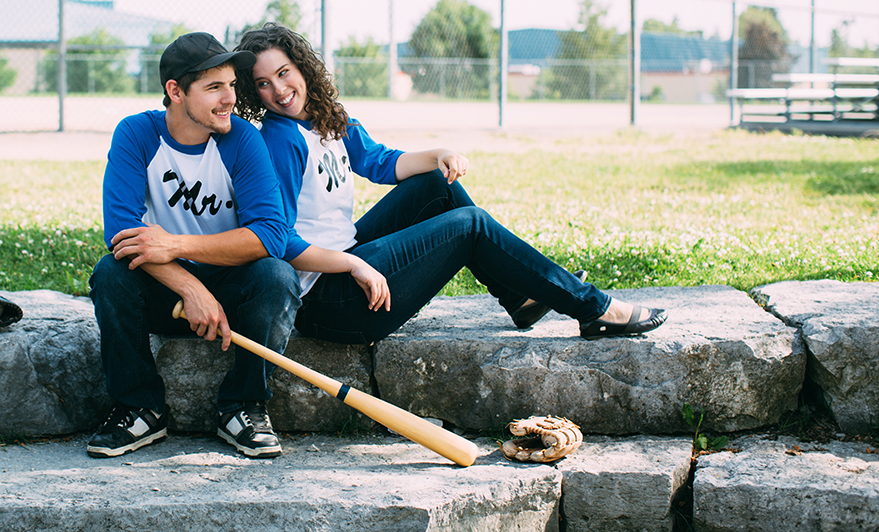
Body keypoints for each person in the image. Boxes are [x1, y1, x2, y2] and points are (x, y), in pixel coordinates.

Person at [233, 23, 666, 346]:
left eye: (285, 73)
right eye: (263, 84)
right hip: (331, 301)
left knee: (437, 187)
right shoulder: (280, 139)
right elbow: (278, 240)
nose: (279, 90)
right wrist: (351, 266)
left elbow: (383, 163)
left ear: (303, 67)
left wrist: (438, 154)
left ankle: (519, 297)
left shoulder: (329, 119)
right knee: (469, 225)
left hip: (351, 257)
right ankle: (593, 308)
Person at [87, 31, 301, 459]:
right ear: (175, 91)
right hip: (164, 292)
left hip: (232, 294)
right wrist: (190, 287)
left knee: (277, 276)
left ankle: (243, 406)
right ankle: (139, 408)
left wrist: (176, 245)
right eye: (214, 87)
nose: (230, 99)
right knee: (109, 274)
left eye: (232, 86)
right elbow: (121, 234)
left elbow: (271, 234)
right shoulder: (136, 134)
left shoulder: (241, 138)